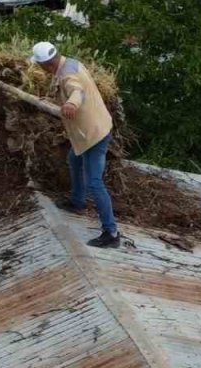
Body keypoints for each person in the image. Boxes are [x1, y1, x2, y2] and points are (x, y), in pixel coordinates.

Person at [30, 42, 120, 249]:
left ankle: (112, 233)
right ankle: (77, 201)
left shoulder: (67, 75)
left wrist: (71, 104)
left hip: (93, 135)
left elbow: (76, 91)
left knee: (95, 182)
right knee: (74, 159)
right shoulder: (70, 63)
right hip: (93, 128)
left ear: (46, 64)